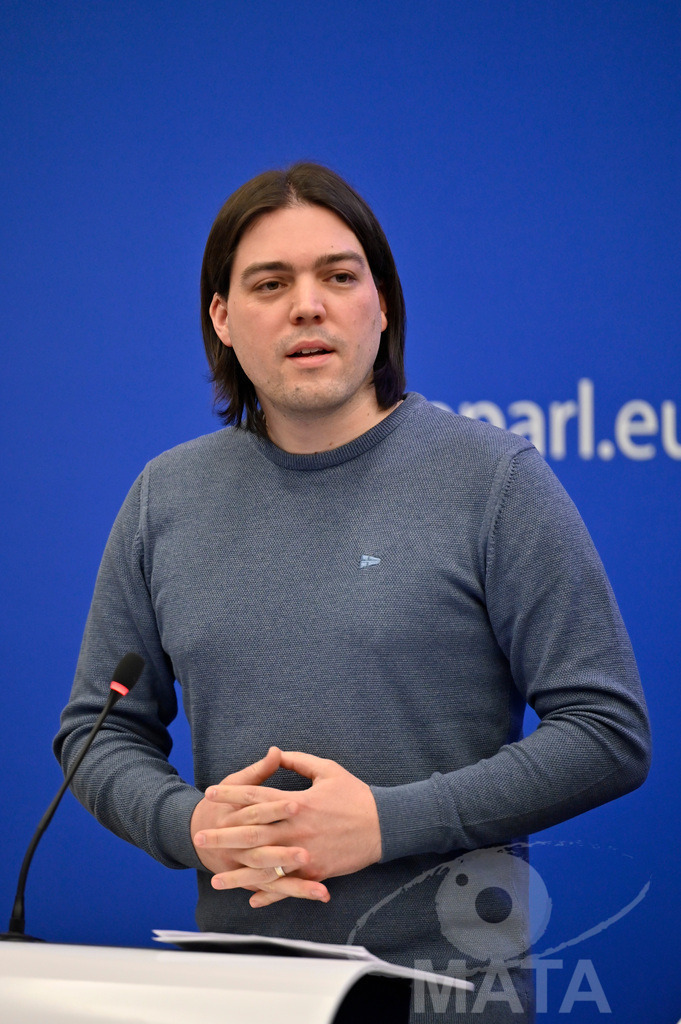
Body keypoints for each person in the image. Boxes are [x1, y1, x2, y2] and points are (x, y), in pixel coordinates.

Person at [55, 163, 651, 1022]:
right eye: (270, 283)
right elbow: (94, 732)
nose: (308, 305)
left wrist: (385, 822)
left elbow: (606, 733)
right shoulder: (165, 498)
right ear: (221, 319)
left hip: (448, 995)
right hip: (236, 990)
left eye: (339, 276)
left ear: (380, 307)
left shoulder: (493, 481)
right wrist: (186, 824)